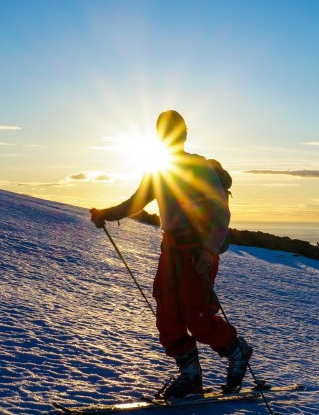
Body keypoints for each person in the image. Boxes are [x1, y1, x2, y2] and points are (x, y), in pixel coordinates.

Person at [89, 110, 251, 399]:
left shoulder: (199, 168)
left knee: (197, 316)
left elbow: (220, 211)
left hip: (198, 251)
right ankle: (190, 376)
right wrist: (106, 214)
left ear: (183, 135)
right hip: (171, 250)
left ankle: (237, 352)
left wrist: (210, 249)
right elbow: (136, 202)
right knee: (167, 312)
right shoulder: (157, 169)